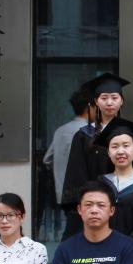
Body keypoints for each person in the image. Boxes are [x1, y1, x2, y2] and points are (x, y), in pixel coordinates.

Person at [62, 73, 133, 239]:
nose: (109, 102)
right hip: (96, 208)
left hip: (129, 209)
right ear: (96, 101)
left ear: (122, 101)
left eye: (114, 97)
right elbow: (77, 176)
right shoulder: (83, 136)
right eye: (104, 98)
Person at [43, 89, 92, 218]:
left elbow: (47, 159)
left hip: (63, 193)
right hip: (85, 192)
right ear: (89, 108)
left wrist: (60, 170)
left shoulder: (60, 130)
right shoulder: (89, 132)